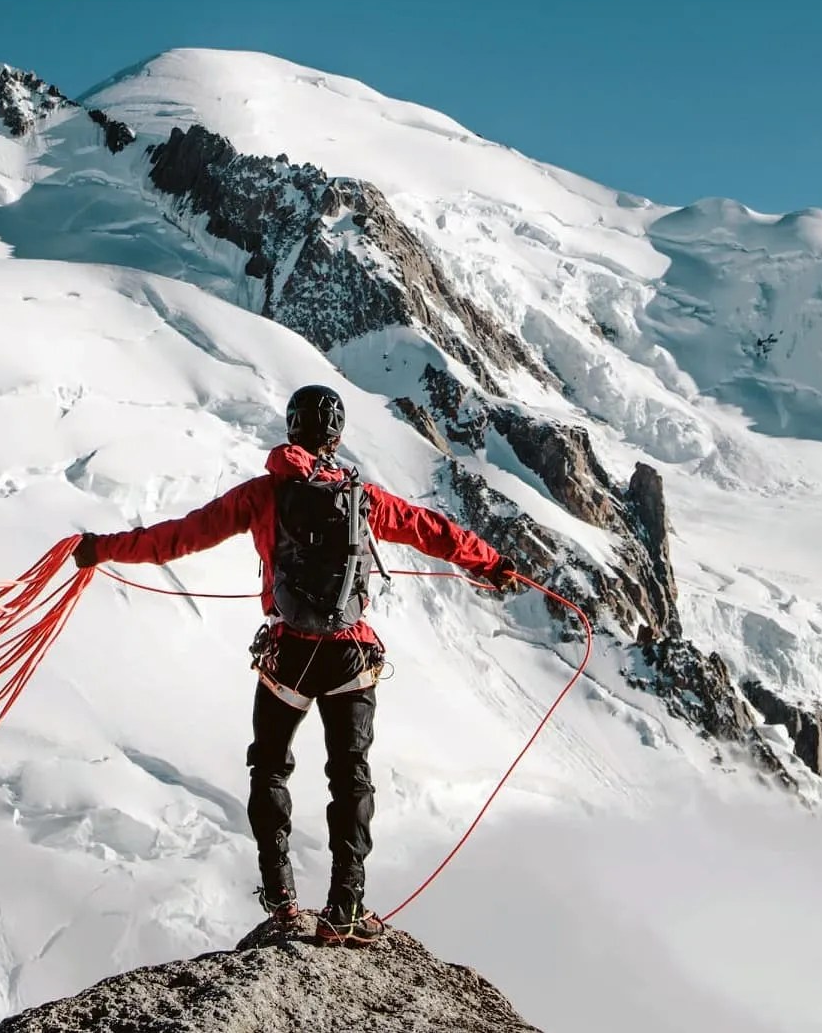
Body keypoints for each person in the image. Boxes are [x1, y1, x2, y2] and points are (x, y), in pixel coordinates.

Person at [71, 384, 522, 947]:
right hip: (349, 654)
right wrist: (494, 563)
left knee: (270, 768)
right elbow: (434, 532)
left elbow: (175, 539)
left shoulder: (263, 494)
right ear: (335, 435)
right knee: (350, 776)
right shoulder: (362, 497)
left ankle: (282, 900)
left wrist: (99, 549)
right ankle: (345, 907)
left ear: (291, 429)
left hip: (287, 655)